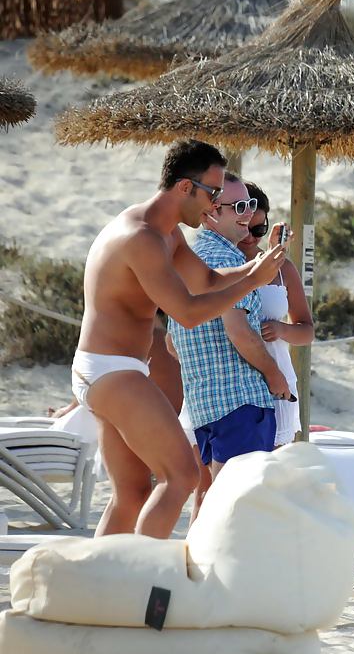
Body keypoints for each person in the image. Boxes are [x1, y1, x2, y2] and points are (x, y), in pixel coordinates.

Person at [72, 139, 285, 539]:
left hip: (109, 369)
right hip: (112, 371)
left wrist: (257, 265)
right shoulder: (142, 238)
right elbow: (187, 313)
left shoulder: (166, 234)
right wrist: (253, 281)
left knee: (132, 494)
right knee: (181, 476)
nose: (215, 205)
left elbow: (204, 281)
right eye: (214, 194)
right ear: (185, 187)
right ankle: (142, 583)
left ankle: (102, 581)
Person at [168, 173, 293, 484]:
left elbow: (172, 342)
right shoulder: (226, 258)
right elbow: (237, 330)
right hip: (240, 401)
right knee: (240, 505)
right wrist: (273, 374)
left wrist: (208, 366)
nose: (248, 214)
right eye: (238, 207)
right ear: (212, 212)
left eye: (249, 204)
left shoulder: (189, 260)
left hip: (205, 403)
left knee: (220, 504)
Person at [237, 181, 314, 447]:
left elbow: (307, 330)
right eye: (246, 227)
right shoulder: (217, 262)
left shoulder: (283, 268)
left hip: (277, 380)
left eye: (259, 228)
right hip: (228, 381)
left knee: (272, 478)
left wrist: (282, 330)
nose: (250, 236)